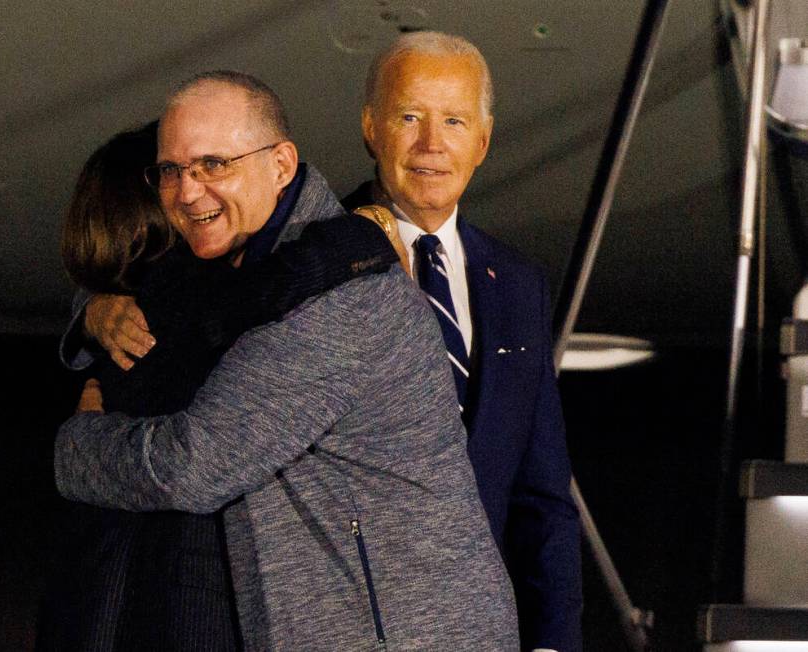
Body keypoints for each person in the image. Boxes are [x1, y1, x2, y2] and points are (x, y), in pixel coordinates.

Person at [55, 70, 519, 649]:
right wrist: (92, 308)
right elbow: (148, 284)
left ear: (279, 165)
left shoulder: (335, 304)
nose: (188, 190)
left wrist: (78, 446)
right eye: (171, 171)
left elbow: (193, 468)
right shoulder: (246, 262)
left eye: (213, 165)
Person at [44, 123, 406, 650]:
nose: (194, 190)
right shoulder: (196, 312)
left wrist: (90, 312)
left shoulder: (115, 330)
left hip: (87, 607)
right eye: (174, 174)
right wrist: (362, 237)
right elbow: (275, 284)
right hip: (180, 610)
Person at [341, 32, 582, 652]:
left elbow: (542, 496)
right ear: (371, 127)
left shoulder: (519, 285)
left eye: (453, 120)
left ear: (483, 140)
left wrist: (553, 642)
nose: (431, 144)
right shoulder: (311, 258)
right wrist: (94, 314)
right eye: (410, 117)